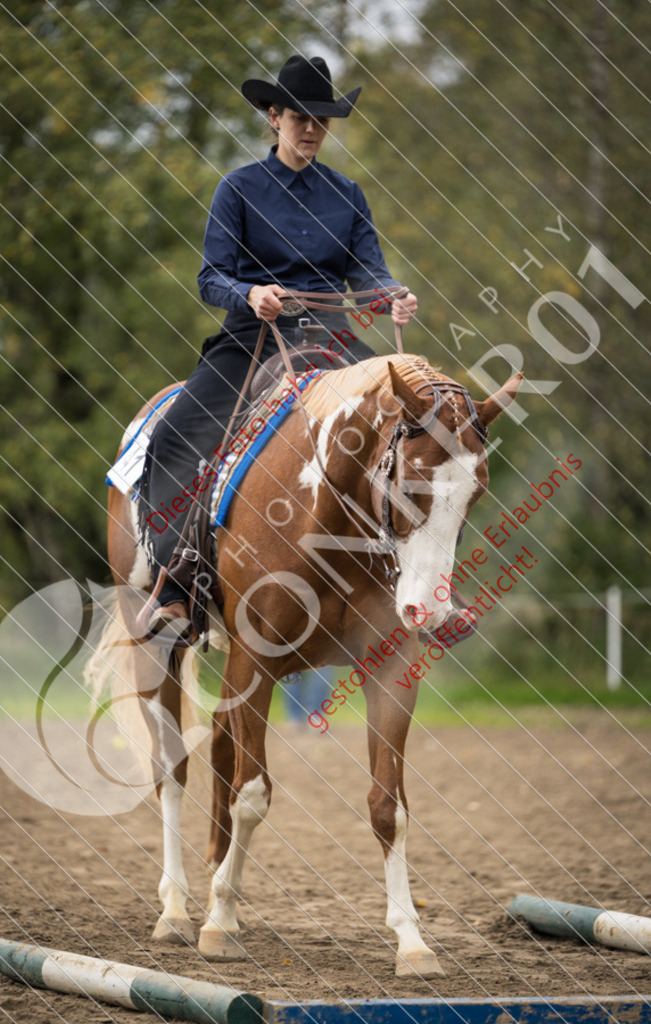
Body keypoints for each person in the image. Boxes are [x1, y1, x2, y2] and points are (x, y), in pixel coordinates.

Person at [139, 55, 418, 635]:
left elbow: (367, 276)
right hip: (255, 337)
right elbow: (210, 277)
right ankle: (181, 580)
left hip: (333, 340)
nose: (312, 129)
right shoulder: (237, 188)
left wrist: (391, 296)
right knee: (175, 436)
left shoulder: (347, 194)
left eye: (322, 119)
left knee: (417, 425)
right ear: (274, 116)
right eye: (300, 117)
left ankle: (416, 583)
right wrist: (250, 294)